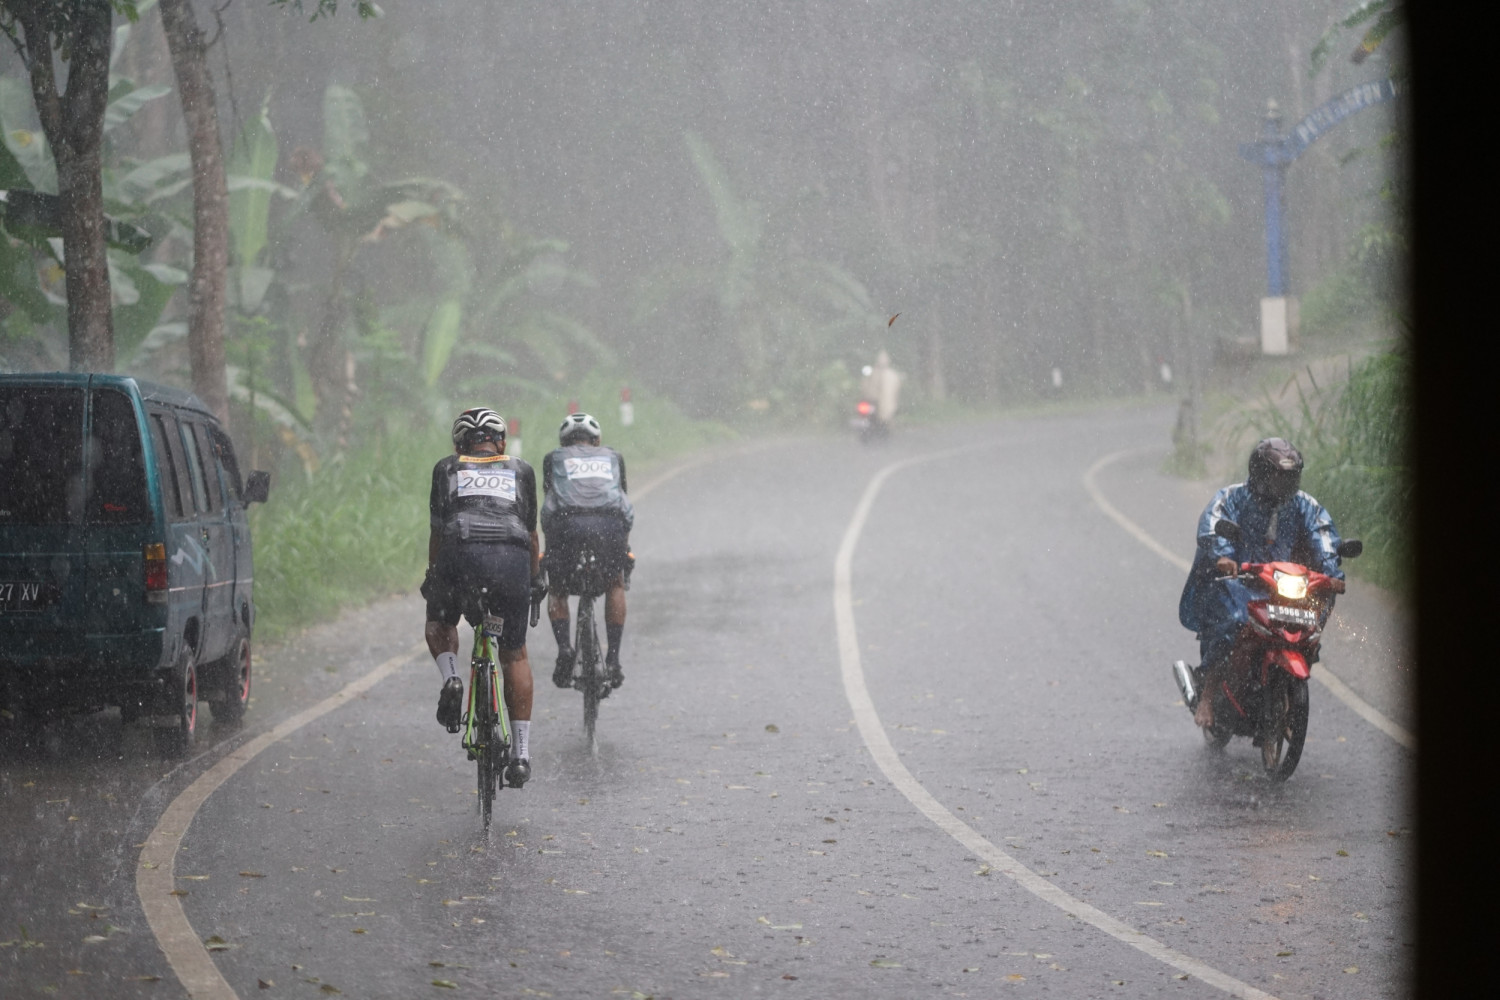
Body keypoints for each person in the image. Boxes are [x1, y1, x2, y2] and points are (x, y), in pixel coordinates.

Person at [1178, 437, 1345, 730]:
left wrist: (1332, 573)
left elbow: (1324, 537)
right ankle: (1208, 694)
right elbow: (1213, 523)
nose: (1285, 484)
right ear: (1260, 473)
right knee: (1233, 621)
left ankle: (1291, 675)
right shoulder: (1231, 497)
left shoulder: (1305, 505)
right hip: (1240, 582)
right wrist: (1223, 556)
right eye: (1279, 477)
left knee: (1310, 621)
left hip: (1285, 585)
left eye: (1290, 477)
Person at [421, 407, 545, 787]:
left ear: (459, 446)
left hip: (460, 553)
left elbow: (438, 532)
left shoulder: (446, 469)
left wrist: (435, 577)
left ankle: (452, 678)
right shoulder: (521, 470)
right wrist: (535, 579)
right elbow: (532, 535)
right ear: (501, 443)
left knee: (440, 623)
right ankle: (520, 754)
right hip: (511, 558)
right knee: (515, 654)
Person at [541, 412, 634, 690]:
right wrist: (624, 547)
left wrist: (549, 551)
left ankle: (564, 649)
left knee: (558, 587)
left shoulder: (554, 458)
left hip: (567, 525)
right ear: (597, 440)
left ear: (564, 441)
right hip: (609, 525)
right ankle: (613, 659)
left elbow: (549, 503)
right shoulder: (613, 457)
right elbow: (622, 502)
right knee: (615, 582)